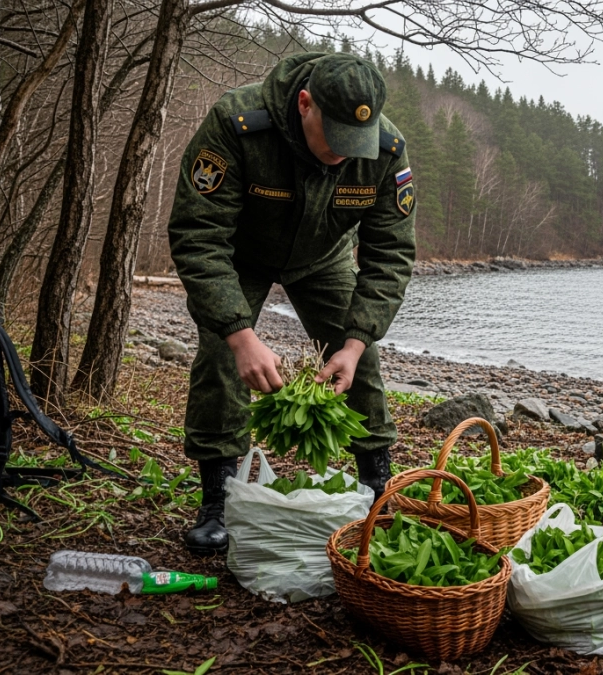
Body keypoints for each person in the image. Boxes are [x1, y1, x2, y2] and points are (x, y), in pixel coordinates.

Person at [167, 52, 417, 556]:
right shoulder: (237, 125)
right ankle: (217, 498)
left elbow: (390, 253)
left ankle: (377, 489)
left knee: (361, 362)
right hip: (240, 255)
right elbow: (199, 235)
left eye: (355, 145)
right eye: (337, 140)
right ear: (305, 104)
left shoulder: (386, 149)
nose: (345, 156)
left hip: (322, 259)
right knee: (221, 357)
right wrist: (240, 336)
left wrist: (353, 342)